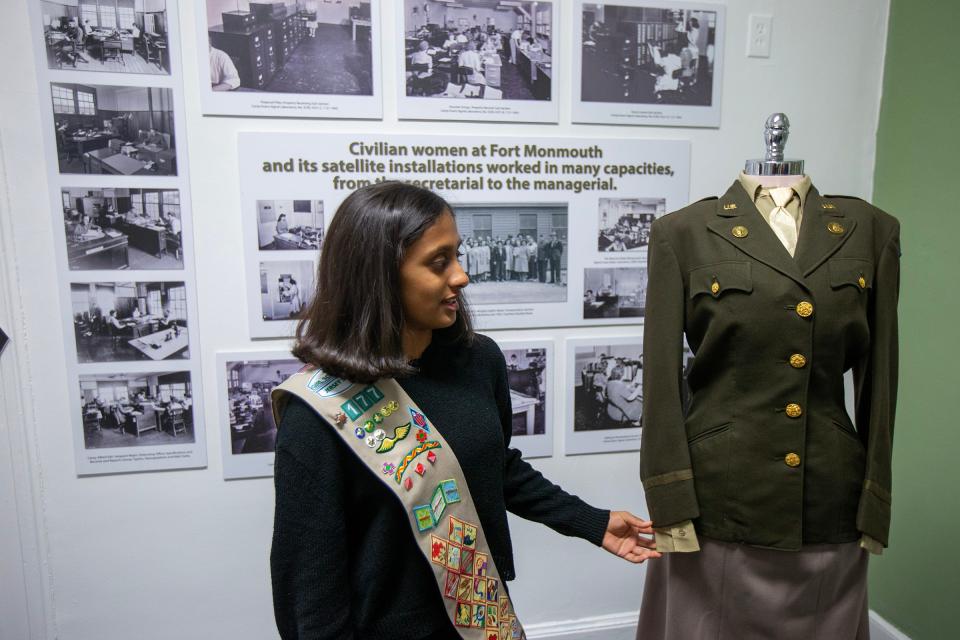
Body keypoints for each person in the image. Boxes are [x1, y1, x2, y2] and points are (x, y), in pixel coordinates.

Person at [270, 182, 659, 639]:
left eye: (457, 254)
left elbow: (495, 466)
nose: (461, 276)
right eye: (439, 263)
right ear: (378, 275)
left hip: (479, 617)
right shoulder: (318, 412)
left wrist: (591, 522)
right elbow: (309, 594)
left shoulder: (479, 360)